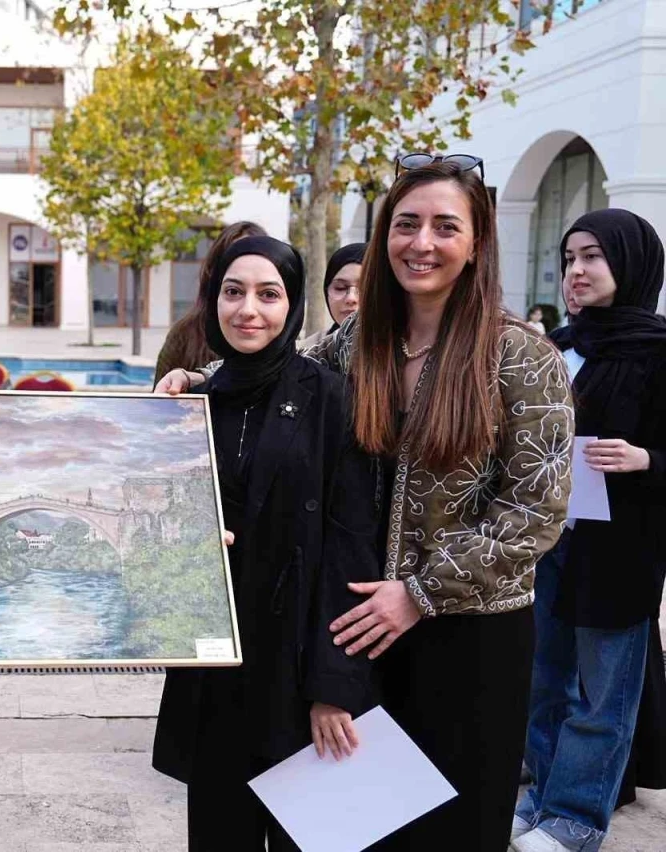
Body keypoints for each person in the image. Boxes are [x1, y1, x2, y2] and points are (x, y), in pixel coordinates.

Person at [159, 158, 575, 849]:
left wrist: (417, 593)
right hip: (364, 631)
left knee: (457, 828)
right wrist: (195, 379)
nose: (423, 242)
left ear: (476, 242)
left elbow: (536, 510)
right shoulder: (359, 343)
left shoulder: (521, 356)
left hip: (469, 634)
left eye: (446, 227)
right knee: (361, 829)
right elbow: (273, 367)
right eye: (406, 224)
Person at [151, 235, 381, 851]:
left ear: (293, 307)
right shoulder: (191, 404)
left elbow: (352, 547)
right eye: (233, 292)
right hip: (217, 664)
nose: (248, 310)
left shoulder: (331, 399)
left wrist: (335, 687)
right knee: (219, 831)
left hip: (297, 659)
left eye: (268, 294)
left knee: (304, 837)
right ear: (212, 303)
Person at [513, 209, 666, 852]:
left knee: (602, 693)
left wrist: (647, 459)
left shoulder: (659, 353)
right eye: (569, 257)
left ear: (630, 263)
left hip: (620, 549)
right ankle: (540, 798)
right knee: (543, 677)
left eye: (593, 257)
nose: (576, 270)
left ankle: (577, 817)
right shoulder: (561, 348)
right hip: (548, 540)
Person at [153, 221, 267, 384]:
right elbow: (158, 403)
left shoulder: (284, 341)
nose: (247, 310)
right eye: (233, 291)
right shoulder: (185, 335)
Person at [299, 242, 366, 351]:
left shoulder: (401, 355)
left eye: (365, 287)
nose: (351, 298)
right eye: (340, 288)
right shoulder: (307, 353)